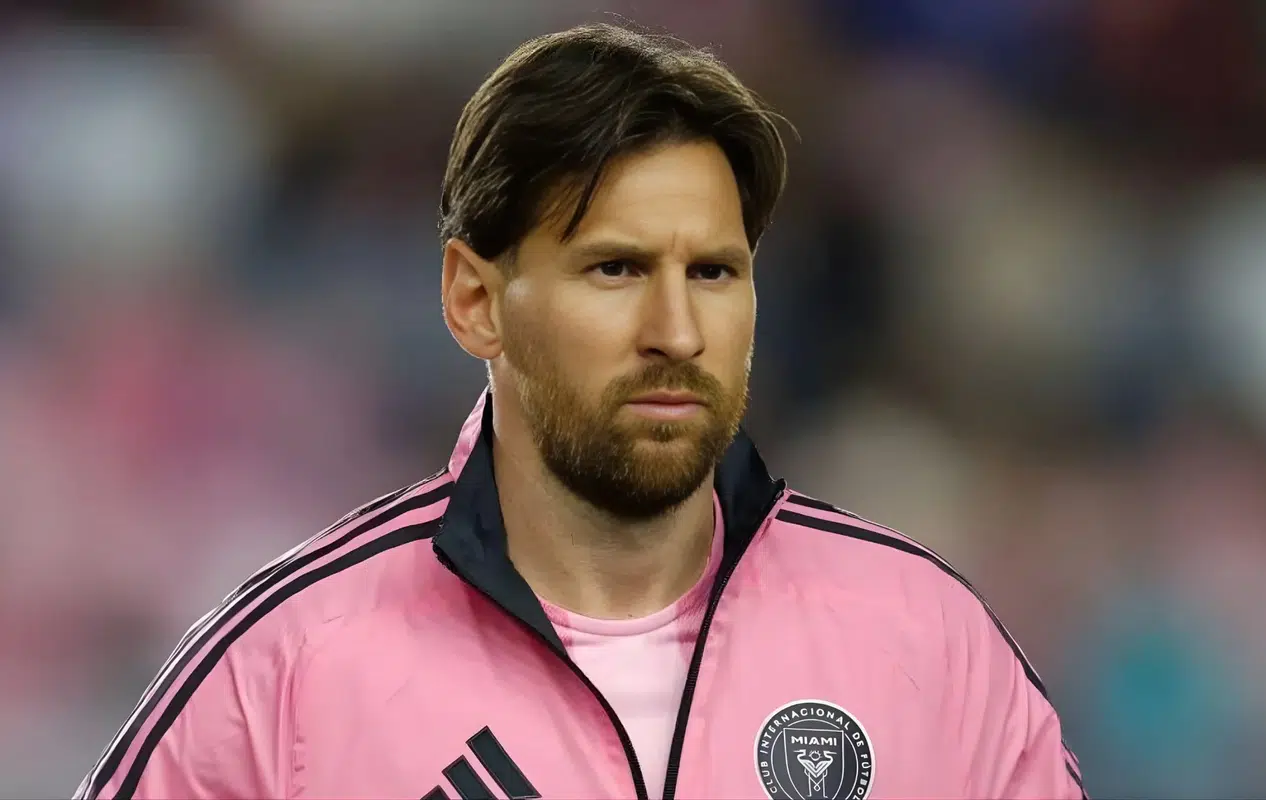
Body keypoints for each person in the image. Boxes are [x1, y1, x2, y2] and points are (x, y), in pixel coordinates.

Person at [75, 23, 1087, 800]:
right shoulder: (286, 671)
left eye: (713, 272)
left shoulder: (926, 640)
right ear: (475, 300)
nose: (675, 331)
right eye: (615, 269)